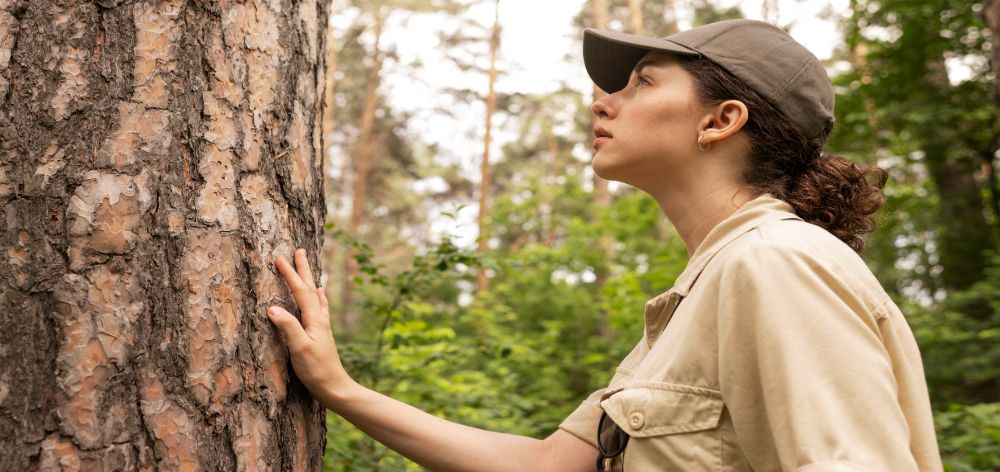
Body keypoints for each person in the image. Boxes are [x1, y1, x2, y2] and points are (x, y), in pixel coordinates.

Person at [266, 19, 942, 471]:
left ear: (721, 120)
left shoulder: (776, 264)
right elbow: (545, 466)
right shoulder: (697, 299)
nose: (603, 100)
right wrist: (338, 388)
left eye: (643, 81)